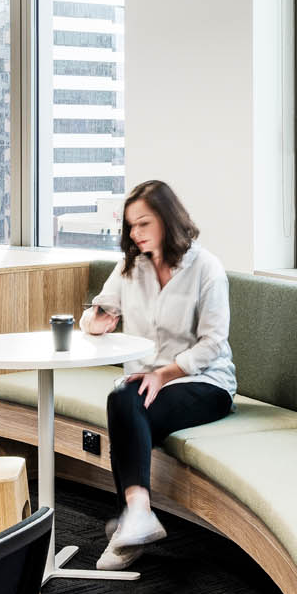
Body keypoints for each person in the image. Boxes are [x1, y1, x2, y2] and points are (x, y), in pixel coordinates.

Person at [81, 180, 235, 570]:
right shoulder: (129, 268)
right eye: (131, 226)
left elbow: (213, 343)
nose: (135, 234)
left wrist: (165, 374)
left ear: (167, 220)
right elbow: (95, 317)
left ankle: (128, 529)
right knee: (124, 400)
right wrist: (99, 319)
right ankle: (138, 514)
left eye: (143, 223)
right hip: (143, 381)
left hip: (203, 382)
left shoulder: (206, 269)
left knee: (128, 408)